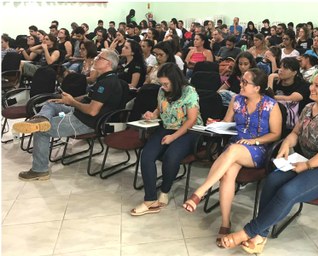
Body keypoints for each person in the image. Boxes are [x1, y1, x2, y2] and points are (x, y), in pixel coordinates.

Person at [217, 70, 318, 254]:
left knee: (288, 191)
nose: (311, 88)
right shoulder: (308, 108)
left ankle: (247, 232)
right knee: (272, 180)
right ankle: (260, 235)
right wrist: (286, 144)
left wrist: (308, 165)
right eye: (312, 84)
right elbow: (295, 133)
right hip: (305, 161)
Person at [183, 67, 282, 248]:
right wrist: (215, 123)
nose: (240, 84)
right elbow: (227, 123)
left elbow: (276, 134)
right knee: (228, 173)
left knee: (233, 150)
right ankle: (225, 223)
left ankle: (200, 192)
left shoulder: (271, 105)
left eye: (245, 82)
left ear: (257, 88)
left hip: (259, 149)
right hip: (236, 147)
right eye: (241, 81)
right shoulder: (236, 100)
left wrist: (254, 141)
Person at [12, 49, 126, 181]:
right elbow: (89, 97)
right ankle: (42, 119)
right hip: (79, 113)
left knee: (41, 131)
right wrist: (67, 100)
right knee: (51, 104)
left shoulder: (107, 83)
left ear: (108, 64)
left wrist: (72, 102)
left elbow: (92, 111)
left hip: (85, 122)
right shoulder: (105, 79)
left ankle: (40, 170)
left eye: (100, 58)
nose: (95, 59)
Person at [131, 63, 203, 216]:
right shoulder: (162, 91)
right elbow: (160, 108)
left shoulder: (189, 91)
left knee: (171, 156)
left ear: (175, 81)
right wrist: (153, 114)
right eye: (161, 84)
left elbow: (191, 120)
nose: (163, 87)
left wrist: (173, 137)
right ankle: (150, 199)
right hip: (168, 126)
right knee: (147, 155)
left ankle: (165, 190)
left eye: (166, 84)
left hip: (189, 130)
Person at [271, 57, 311, 130]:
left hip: (295, 125)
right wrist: (270, 78)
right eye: (280, 67)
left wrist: (273, 97)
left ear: (294, 72)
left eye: (285, 68)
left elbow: (292, 98)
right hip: (274, 119)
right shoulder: (275, 83)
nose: (280, 70)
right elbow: (266, 100)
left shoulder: (303, 85)